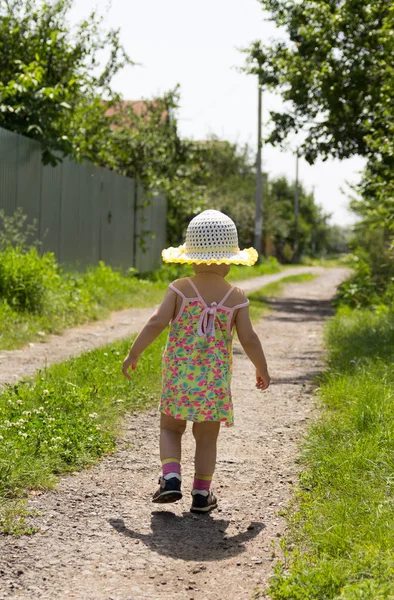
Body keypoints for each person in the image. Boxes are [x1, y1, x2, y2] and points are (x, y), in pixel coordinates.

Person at [122, 210, 270, 513]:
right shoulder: (236, 296)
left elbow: (155, 323)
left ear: (191, 257)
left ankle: (171, 478)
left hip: (179, 378)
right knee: (206, 438)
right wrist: (262, 368)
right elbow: (250, 339)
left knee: (171, 428)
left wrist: (134, 352)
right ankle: (201, 494)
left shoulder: (180, 288)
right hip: (213, 385)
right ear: (228, 259)